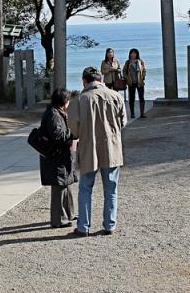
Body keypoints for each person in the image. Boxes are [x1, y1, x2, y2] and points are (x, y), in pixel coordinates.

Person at [68, 66, 127, 237]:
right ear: (100, 79)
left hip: (89, 148)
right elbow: (123, 122)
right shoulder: (116, 96)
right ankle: (109, 225)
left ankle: (83, 226)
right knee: (111, 188)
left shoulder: (79, 100)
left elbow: (74, 129)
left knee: (85, 188)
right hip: (111, 147)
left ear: (84, 80)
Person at [39, 88, 77, 228]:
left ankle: (69, 213)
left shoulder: (57, 112)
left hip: (61, 156)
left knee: (67, 185)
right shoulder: (53, 115)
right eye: (68, 100)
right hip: (55, 157)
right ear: (64, 102)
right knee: (59, 187)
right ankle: (58, 220)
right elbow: (58, 136)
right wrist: (72, 133)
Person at [124, 48, 147, 119]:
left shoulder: (140, 62)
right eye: (132, 53)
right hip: (131, 83)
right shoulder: (127, 62)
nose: (133, 54)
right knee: (131, 98)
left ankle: (142, 114)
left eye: (134, 53)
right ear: (130, 54)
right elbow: (124, 72)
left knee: (141, 98)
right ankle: (132, 113)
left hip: (139, 82)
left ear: (137, 54)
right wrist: (127, 79)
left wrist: (143, 77)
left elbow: (144, 70)